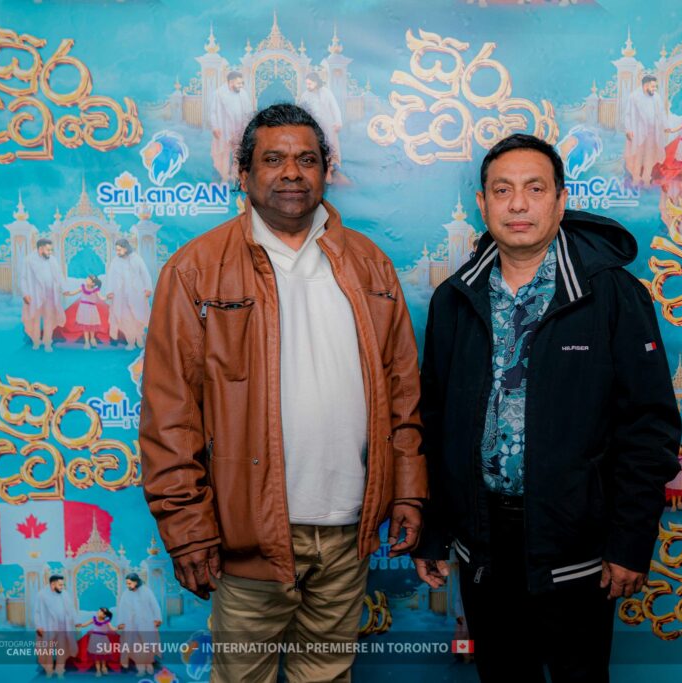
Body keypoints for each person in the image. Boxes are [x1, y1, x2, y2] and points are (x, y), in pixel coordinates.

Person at [139, 103, 427, 683]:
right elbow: (171, 413)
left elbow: (403, 394)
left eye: (307, 160)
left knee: (326, 676)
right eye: (273, 159)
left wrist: (409, 491)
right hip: (249, 538)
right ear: (244, 173)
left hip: (349, 533)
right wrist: (187, 528)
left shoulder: (370, 266)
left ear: (326, 172)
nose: (292, 172)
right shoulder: (196, 270)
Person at [413, 133, 682, 683]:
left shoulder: (611, 294)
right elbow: (436, 424)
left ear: (560, 201)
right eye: (502, 190)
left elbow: (649, 426)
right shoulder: (454, 300)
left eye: (535, 189)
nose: (518, 204)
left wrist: (630, 541)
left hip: (577, 542)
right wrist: (434, 530)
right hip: (484, 542)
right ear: (482, 203)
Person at [105, 239, 152, 350]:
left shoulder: (137, 258)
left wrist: (148, 288)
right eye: (116, 250)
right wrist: (110, 291)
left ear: (126, 248)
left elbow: (144, 273)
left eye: (119, 250)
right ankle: (130, 342)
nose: (117, 252)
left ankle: (139, 339)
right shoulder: (115, 262)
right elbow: (111, 277)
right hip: (121, 295)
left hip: (137, 294)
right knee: (125, 318)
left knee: (138, 317)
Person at [21, 238, 67, 352]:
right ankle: (36, 342)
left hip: (50, 295)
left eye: (51, 250)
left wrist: (64, 289)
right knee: (35, 320)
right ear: (40, 249)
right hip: (34, 295)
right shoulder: (29, 260)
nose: (50, 252)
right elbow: (23, 278)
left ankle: (47, 343)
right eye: (48, 250)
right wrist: (25, 294)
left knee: (49, 319)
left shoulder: (53, 260)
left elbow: (59, 275)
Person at [622, 75, 668, 186]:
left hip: (653, 132)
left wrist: (666, 126)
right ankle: (636, 178)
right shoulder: (634, 97)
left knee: (649, 156)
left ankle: (646, 177)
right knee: (637, 156)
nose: (655, 89)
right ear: (646, 85)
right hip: (638, 132)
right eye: (653, 86)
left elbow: (662, 112)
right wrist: (628, 129)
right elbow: (627, 115)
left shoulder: (656, 97)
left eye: (655, 86)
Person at [296, 72, 343, 179]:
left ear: (316, 82)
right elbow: (300, 111)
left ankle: (332, 169)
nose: (308, 86)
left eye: (310, 84)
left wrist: (338, 122)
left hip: (328, 125)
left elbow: (334, 107)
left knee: (331, 146)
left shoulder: (326, 92)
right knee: (316, 146)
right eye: (306, 84)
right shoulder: (305, 95)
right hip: (314, 127)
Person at [209, 70, 254, 182]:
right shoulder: (219, 94)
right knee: (223, 153)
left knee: (238, 152)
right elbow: (213, 112)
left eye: (242, 83)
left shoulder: (243, 93)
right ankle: (222, 177)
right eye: (239, 83)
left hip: (240, 130)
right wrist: (215, 127)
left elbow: (249, 111)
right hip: (224, 130)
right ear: (231, 82)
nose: (241, 85)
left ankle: (236, 177)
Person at [115, 573, 162, 675]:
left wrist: (157, 619)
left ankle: (149, 665)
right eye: (127, 583)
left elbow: (154, 605)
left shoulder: (146, 591)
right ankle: (139, 668)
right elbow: (121, 608)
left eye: (129, 583)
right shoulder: (126, 594)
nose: (128, 585)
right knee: (133, 646)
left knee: (148, 644)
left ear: (136, 582)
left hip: (146, 623)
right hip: (131, 624)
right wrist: (121, 622)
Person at [34, 575, 79, 679]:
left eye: (63, 584)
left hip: (63, 627)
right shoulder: (42, 595)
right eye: (60, 585)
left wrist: (76, 621)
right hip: (47, 627)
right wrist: (38, 626)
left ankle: (60, 671)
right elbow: (37, 612)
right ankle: (49, 670)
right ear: (53, 584)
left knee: (61, 649)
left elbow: (71, 609)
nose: (62, 587)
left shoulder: (65, 594)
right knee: (47, 650)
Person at [64, 274, 105, 349]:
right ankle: (86, 342)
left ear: (93, 283)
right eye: (87, 278)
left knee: (92, 326)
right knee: (85, 326)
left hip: (92, 309)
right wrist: (68, 293)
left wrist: (107, 297)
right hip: (83, 309)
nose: (87, 279)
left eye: (89, 279)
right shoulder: (82, 287)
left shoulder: (96, 290)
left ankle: (92, 339)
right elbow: (73, 293)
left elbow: (102, 298)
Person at [76, 608, 116, 677]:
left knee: (103, 655)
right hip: (94, 639)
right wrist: (80, 625)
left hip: (103, 639)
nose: (99, 611)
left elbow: (112, 628)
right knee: (96, 656)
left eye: (101, 611)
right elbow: (85, 624)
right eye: (99, 610)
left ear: (104, 615)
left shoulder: (107, 622)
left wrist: (118, 627)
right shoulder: (93, 619)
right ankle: (98, 670)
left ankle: (104, 667)